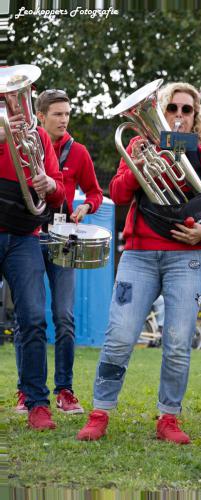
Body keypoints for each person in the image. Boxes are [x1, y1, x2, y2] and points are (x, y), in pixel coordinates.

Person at [77, 81, 201, 444]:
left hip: (189, 258)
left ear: (195, 117)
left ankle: (169, 418)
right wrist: (136, 163)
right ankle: (100, 411)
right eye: (173, 108)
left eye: (187, 110)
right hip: (139, 254)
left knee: (179, 340)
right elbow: (117, 195)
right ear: (162, 110)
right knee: (119, 335)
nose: (179, 116)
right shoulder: (137, 145)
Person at [14, 89, 103, 415]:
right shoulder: (24, 145)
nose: (64, 119)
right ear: (40, 116)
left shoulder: (78, 152)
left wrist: (87, 206)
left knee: (64, 317)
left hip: (63, 238)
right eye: (57, 114)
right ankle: (26, 392)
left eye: (67, 113)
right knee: (27, 319)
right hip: (29, 238)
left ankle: (65, 390)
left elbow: (95, 191)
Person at [0, 77, 65, 429]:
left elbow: (58, 192)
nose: (15, 107)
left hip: (24, 236)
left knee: (34, 319)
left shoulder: (38, 138)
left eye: (19, 98)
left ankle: (38, 403)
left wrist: (51, 185)